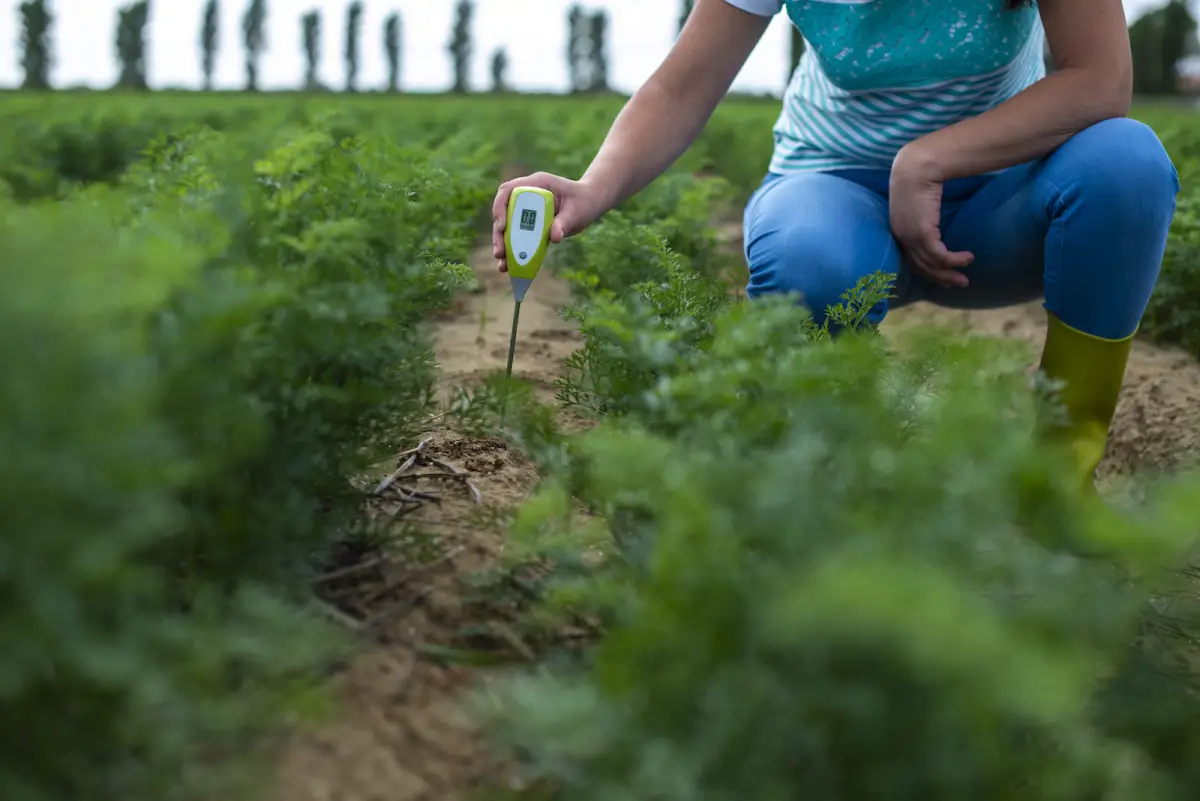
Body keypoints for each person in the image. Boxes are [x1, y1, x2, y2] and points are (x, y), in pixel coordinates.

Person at [491, 0, 1180, 492]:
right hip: (835, 188)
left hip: (997, 206)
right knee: (809, 262)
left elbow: (1100, 78)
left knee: (1126, 166)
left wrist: (930, 160)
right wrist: (593, 186)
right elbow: (682, 85)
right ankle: (830, 487)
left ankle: (1057, 481)